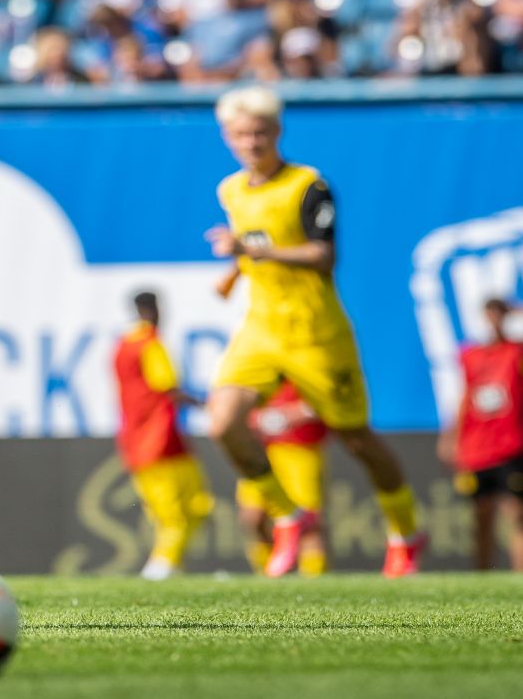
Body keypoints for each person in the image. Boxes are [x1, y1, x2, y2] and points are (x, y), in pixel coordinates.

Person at [205, 85, 425, 578]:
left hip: (316, 332)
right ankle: (288, 514)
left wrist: (253, 252)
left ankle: (406, 532)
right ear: (227, 137)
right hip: (262, 327)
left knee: (358, 441)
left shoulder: (308, 185)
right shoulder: (230, 190)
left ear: (277, 132)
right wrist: (234, 270)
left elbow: (322, 255)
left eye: (260, 132)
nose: (252, 142)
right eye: (242, 134)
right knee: (221, 422)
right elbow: (252, 245)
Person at [109, 291, 213, 580]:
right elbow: (167, 387)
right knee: (182, 512)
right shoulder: (150, 343)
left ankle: (171, 565)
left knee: (186, 508)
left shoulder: (121, 346)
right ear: (153, 310)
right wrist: (208, 404)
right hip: (158, 439)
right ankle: (161, 567)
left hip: (141, 441)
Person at [438, 298, 523, 571]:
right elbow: (464, 397)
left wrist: (515, 312)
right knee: (481, 514)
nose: (494, 320)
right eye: (490, 315)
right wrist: (451, 437)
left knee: (516, 513)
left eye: (500, 314)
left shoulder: (515, 352)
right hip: (478, 448)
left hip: (510, 445)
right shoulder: (471, 355)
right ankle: (482, 573)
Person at [236, 380, 329, 576]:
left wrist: (289, 415)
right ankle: (267, 576)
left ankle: (314, 583)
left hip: (300, 447)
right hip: (262, 449)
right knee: (252, 517)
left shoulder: (310, 358)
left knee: (307, 522)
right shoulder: (256, 360)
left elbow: (328, 398)